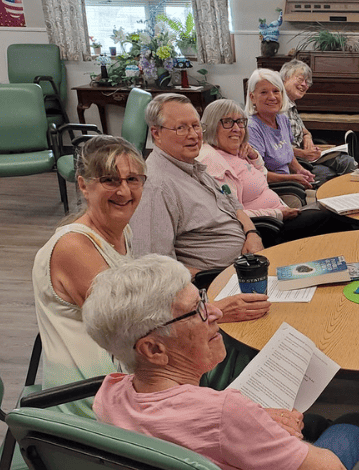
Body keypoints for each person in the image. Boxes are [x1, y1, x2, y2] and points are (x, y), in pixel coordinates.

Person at [84, 254, 359, 470]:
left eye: (203, 299)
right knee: (356, 426)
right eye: (197, 309)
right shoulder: (226, 413)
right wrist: (276, 435)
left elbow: (188, 426)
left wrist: (259, 422)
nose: (215, 312)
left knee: (313, 423)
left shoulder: (108, 395)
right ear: (153, 349)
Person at [129, 93, 270, 320]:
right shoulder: (157, 187)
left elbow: (231, 202)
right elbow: (154, 270)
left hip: (248, 260)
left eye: (196, 126)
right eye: (181, 128)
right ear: (156, 133)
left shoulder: (190, 165)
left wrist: (251, 233)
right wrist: (211, 304)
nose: (194, 135)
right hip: (220, 284)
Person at [32, 136, 144, 418]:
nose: (124, 191)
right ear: (83, 184)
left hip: (115, 380)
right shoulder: (73, 246)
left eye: (133, 179)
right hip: (91, 402)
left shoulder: (121, 232)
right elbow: (126, 327)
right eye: (110, 180)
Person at [197, 99, 342, 244]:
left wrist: (253, 156)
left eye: (240, 122)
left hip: (279, 215)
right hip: (269, 227)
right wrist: (278, 213)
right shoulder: (214, 162)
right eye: (228, 122)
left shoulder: (233, 151)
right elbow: (232, 214)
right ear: (211, 126)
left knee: (338, 207)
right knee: (334, 216)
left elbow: (262, 176)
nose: (237, 128)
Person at [280, 59, 358, 184]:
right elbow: (277, 146)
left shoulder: (292, 106)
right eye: (300, 79)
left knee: (348, 162)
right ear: (284, 78)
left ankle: (350, 197)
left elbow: (304, 131)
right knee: (328, 174)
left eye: (307, 82)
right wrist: (303, 153)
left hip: (305, 157)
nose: (305, 85)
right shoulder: (277, 107)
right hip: (293, 160)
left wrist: (307, 138)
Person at [245, 69, 316, 188]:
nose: (272, 97)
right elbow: (257, 173)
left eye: (276, 91)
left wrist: (300, 170)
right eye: (264, 92)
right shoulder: (252, 128)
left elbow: (287, 152)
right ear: (252, 97)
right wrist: (291, 179)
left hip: (290, 180)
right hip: (273, 188)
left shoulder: (282, 119)